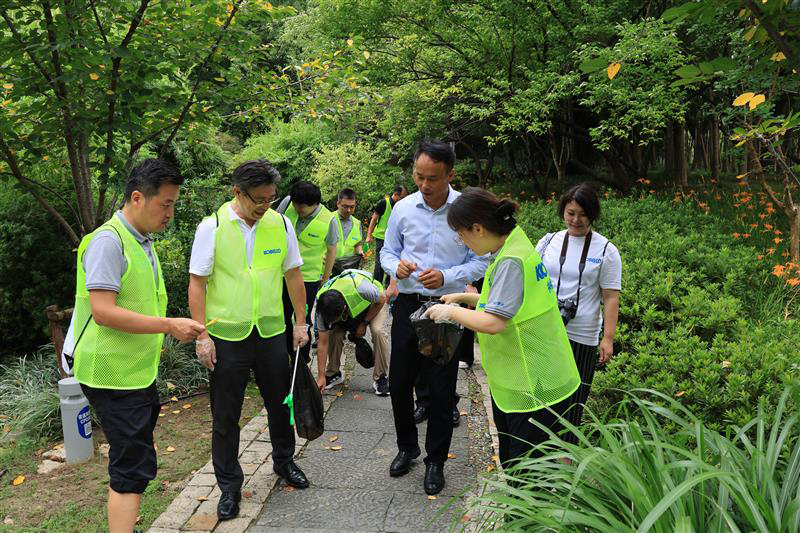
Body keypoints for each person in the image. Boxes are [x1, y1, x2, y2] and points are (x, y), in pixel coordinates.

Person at [67, 159, 206, 533]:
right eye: (166, 204)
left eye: (174, 204)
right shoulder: (109, 242)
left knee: (136, 461)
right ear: (137, 197)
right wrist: (168, 326)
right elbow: (103, 312)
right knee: (131, 467)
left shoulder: (140, 239)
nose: (170, 213)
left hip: (134, 373)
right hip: (112, 374)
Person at [423, 187, 581, 467]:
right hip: (536, 371)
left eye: (461, 235)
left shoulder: (509, 261)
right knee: (521, 462)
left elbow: (494, 322)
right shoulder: (515, 246)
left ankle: (523, 514)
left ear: (478, 229)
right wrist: (464, 298)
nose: (462, 241)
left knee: (525, 472)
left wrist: (451, 312)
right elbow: (507, 301)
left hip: (530, 380)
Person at [188, 160, 311, 521]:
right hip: (227, 336)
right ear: (237, 193)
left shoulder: (281, 223)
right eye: (259, 199)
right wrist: (202, 334)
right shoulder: (211, 227)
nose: (265, 206)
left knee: (280, 404)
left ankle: (284, 462)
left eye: (271, 198)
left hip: (272, 332)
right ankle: (228, 486)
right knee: (225, 416)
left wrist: (300, 323)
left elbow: (293, 275)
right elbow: (197, 283)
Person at [380, 140, 489, 495]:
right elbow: (388, 251)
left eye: (433, 179)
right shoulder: (403, 208)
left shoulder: (466, 210)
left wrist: (448, 277)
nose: (425, 185)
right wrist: (395, 266)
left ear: (451, 175)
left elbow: (483, 260)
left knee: (441, 390)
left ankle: (435, 461)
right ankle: (407, 448)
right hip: (408, 303)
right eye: (419, 176)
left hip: (447, 307)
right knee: (399, 382)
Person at [535, 183, 621, 443]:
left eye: (582, 214)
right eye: (570, 213)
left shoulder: (606, 250)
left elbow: (610, 297)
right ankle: (539, 454)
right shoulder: (549, 242)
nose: (575, 220)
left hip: (582, 335)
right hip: (546, 331)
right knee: (542, 398)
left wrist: (607, 338)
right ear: (563, 212)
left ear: (592, 214)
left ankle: (566, 461)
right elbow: (532, 280)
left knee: (574, 403)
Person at [276, 180, 338, 363]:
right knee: (281, 318)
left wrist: (325, 279)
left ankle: (300, 362)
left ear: (315, 204)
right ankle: (285, 354)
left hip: (308, 279)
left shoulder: (329, 220)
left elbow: (331, 250)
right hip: (281, 276)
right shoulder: (287, 204)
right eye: (296, 205)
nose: (298, 209)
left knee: (302, 321)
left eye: (302, 207)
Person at [315, 269, 390, 395]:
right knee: (334, 334)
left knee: (378, 332)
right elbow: (322, 343)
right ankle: (333, 374)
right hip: (343, 311)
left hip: (374, 305)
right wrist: (321, 376)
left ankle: (381, 378)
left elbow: (382, 299)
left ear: (343, 309)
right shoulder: (322, 307)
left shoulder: (363, 289)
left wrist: (364, 322)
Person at [366, 185, 408, 284]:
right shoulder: (384, 203)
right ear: (396, 195)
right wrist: (369, 235)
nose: (404, 200)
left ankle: (389, 285)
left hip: (395, 239)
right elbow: (374, 219)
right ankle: (377, 285)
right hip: (382, 238)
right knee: (379, 263)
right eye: (402, 197)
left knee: (394, 262)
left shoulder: (402, 206)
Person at [332, 188, 365, 275]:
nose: (349, 210)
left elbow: (357, 243)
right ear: (338, 204)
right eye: (345, 206)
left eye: (352, 207)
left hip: (349, 270)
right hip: (329, 268)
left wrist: (360, 251)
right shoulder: (329, 219)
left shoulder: (357, 223)